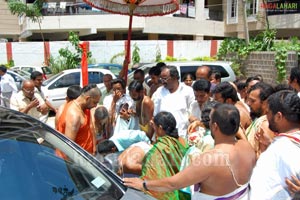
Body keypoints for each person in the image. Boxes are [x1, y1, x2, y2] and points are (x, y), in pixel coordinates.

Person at [124, 104, 256, 199]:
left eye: (210, 121)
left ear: (215, 127)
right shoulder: (247, 147)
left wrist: (144, 184)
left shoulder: (209, 159)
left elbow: (173, 184)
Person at [125, 111, 189, 199]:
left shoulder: (158, 150)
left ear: (160, 128)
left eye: (154, 127)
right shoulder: (183, 142)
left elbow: (152, 175)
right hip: (184, 190)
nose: (154, 129)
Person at [250, 90, 300, 199]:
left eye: (268, 113)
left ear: (278, 116)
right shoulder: (283, 145)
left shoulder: (279, 149)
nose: (266, 116)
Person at [56, 84, 101, 155]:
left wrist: (94, 147)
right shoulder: (74, 115)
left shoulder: (85, 108)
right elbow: (69, 147)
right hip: (77, 160)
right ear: (87, 98)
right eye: (95, 102)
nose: (95, 106)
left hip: (87, 155)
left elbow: (91, 127)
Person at [152, 65, 194, 138]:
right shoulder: (159, 92)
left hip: (182, 135)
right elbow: (156, 114)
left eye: (164, 79)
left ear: (174, 77)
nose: (162, 81)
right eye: (161, 79)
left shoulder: (187, 91)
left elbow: (192, 112)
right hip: (164, 138)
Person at [245, 82, 275, 158]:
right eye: (249, 100)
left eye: (253, 101)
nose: (248, 103)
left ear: (266, 102)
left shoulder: (266, 124)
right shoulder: (258, 119)